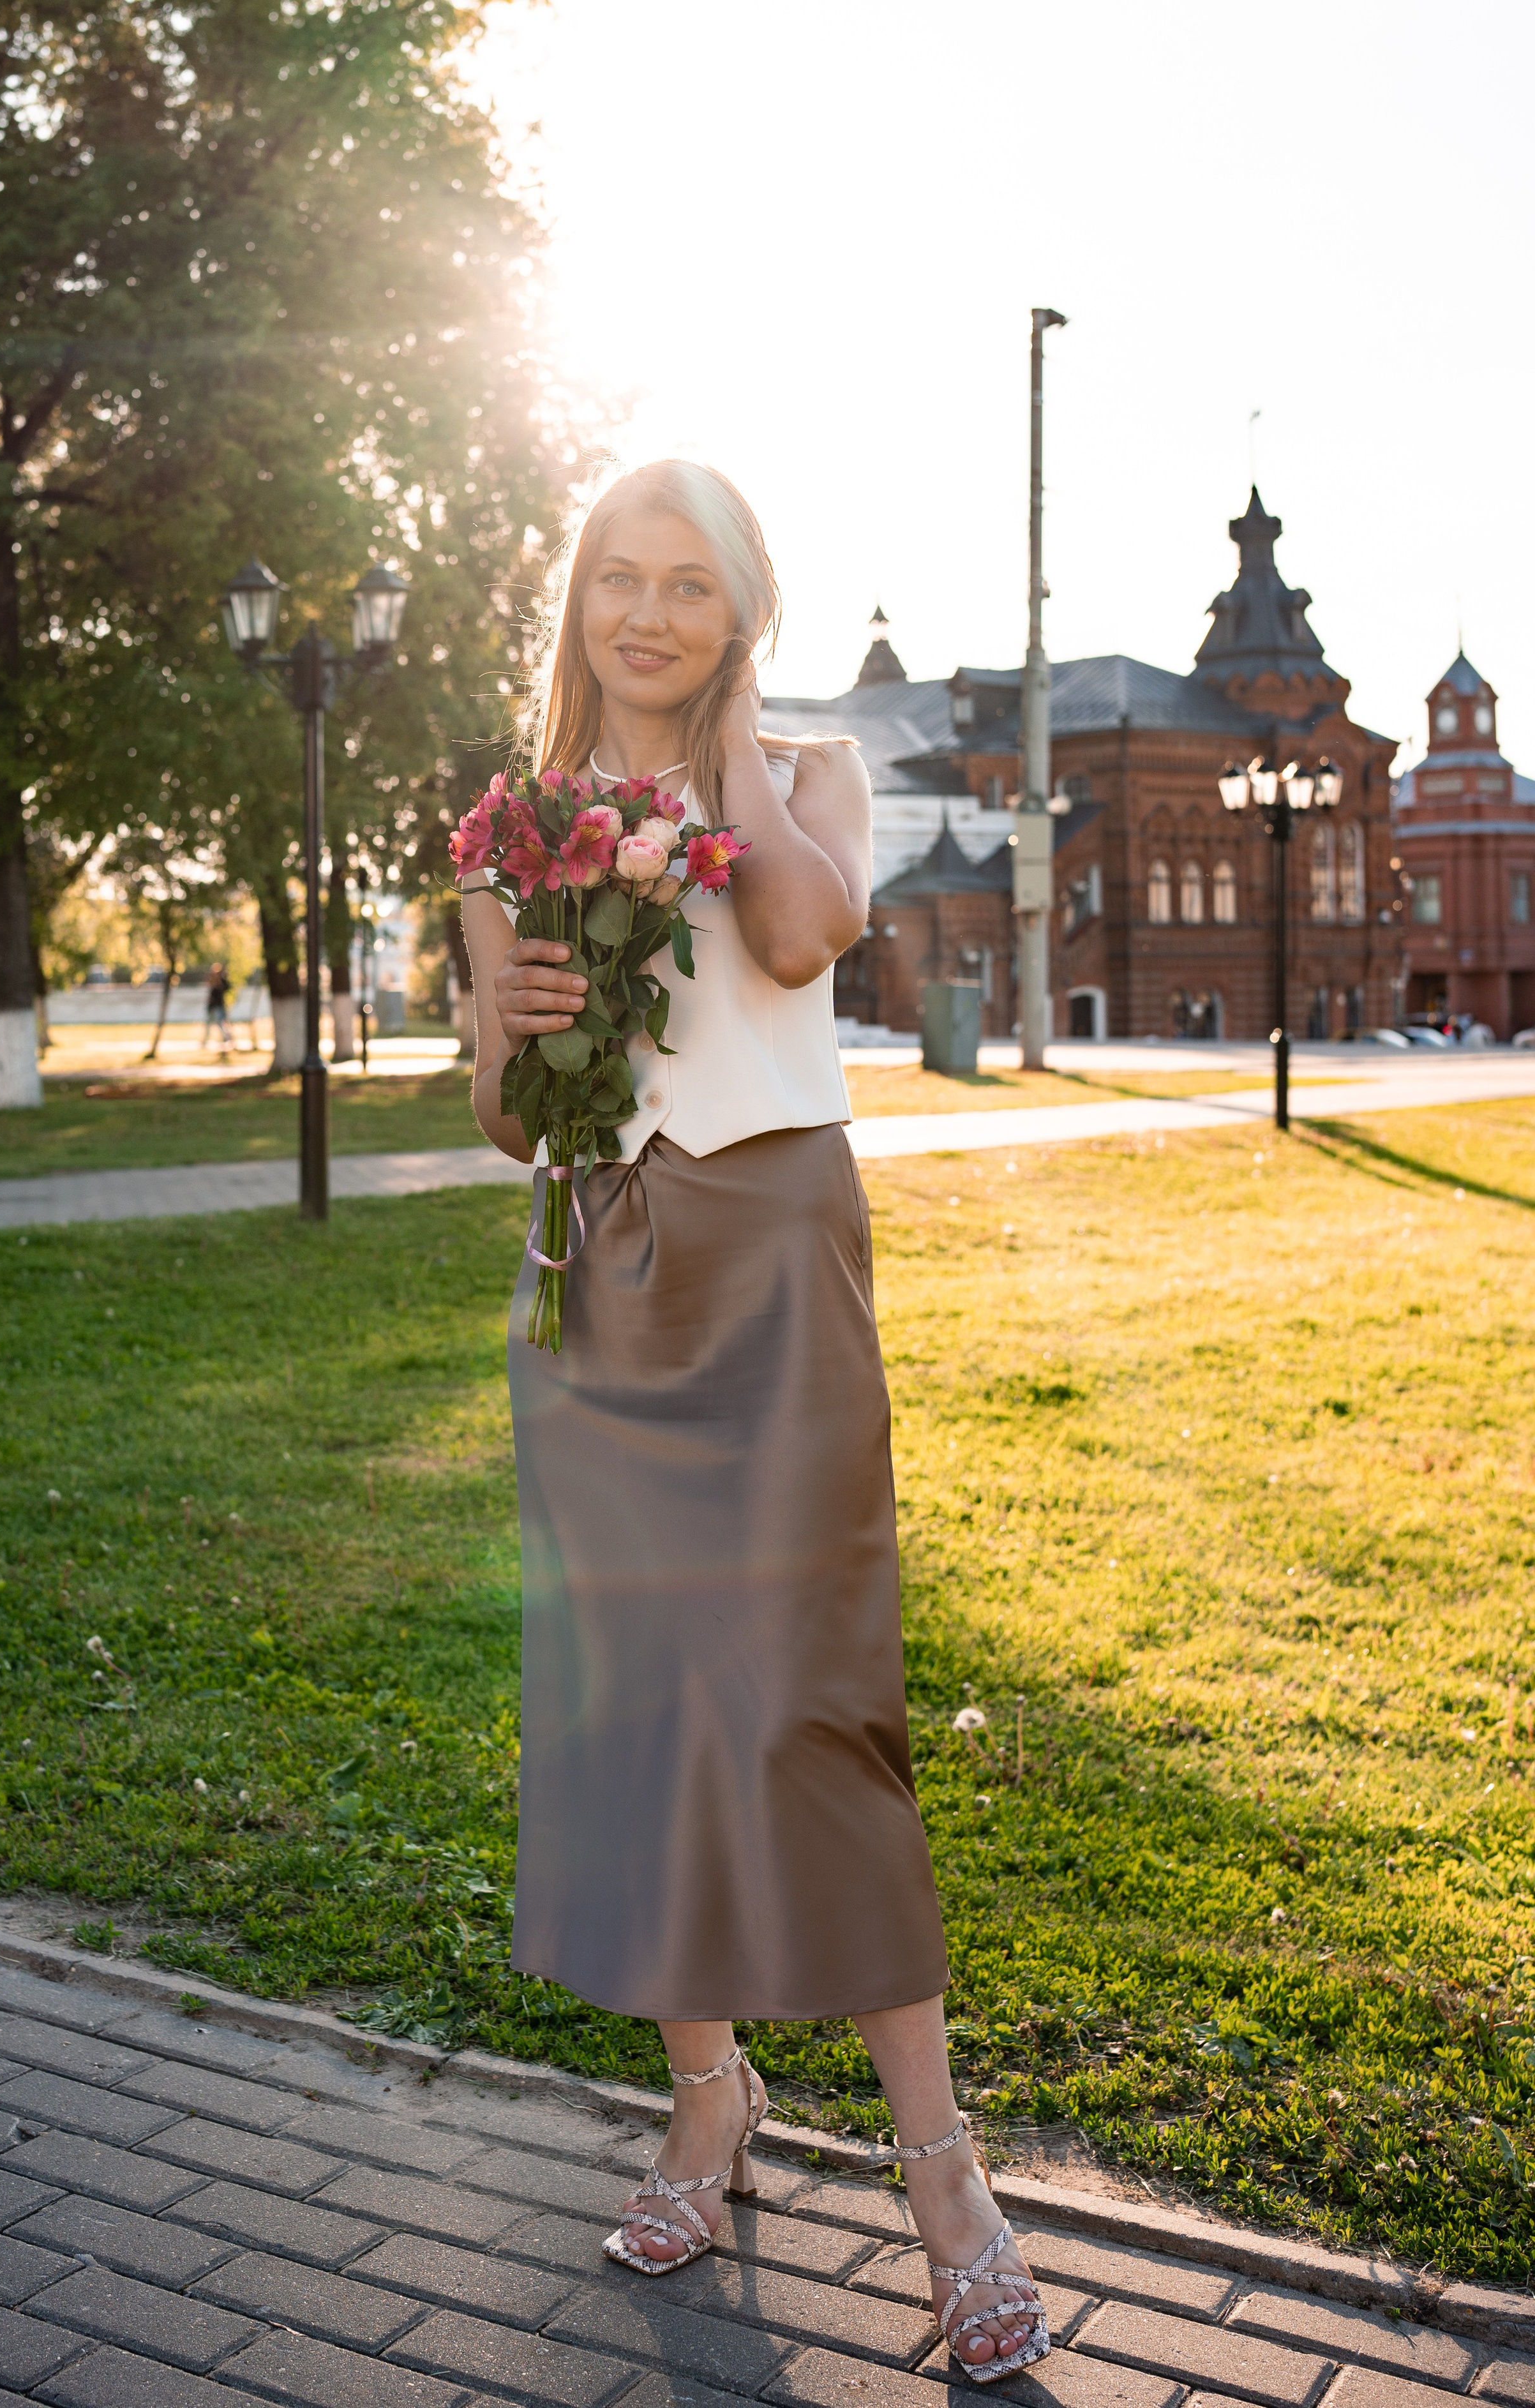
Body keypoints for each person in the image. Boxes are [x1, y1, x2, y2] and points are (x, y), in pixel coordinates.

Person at [460, 461, 1048, 2381]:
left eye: (689, 588)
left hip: (780, 1255)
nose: (647, 615)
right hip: (596, 1274)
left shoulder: (806, 764)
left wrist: (701, 769)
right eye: (618, 583)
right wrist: (525, 1008)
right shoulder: (510, 825)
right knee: (632, 1694)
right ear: (575, 603)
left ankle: (941, 2170)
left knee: (807, 1694)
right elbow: (494, 1096)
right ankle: (708, 2104)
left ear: (739, 609)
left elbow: (798, 941)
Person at [202, 961, 232, 1053]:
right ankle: (205, 1040)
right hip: (213, 1006)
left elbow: (227, 988)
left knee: (220, 1023)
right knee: (209, 1023)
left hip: (218, 1006)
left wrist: (222, 978)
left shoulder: (221, 982)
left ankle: (226, 1037)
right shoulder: (213, 982)